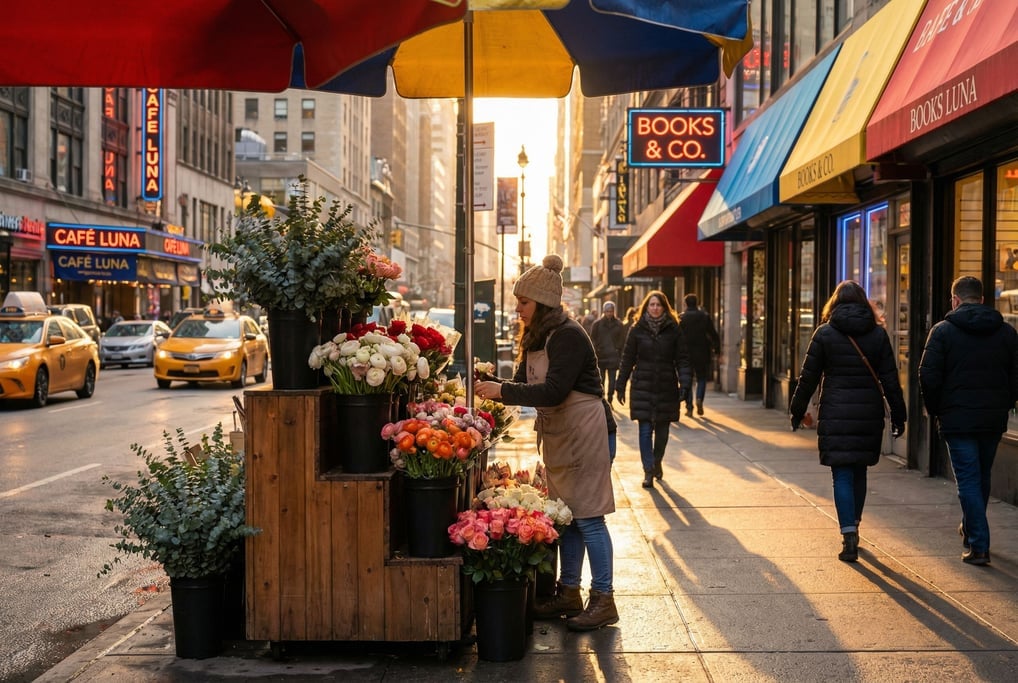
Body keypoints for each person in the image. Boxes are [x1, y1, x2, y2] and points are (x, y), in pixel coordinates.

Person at [473, 254, 618, 631]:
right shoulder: (536, 336)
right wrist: (496, 388)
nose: (517, 308)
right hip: (561, 436)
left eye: (523, 302)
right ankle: (568, 593)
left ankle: (604, 599)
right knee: (567, 521)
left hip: (586, 434)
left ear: (542, 302)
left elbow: (552, 391)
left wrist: (501, 389)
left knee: (589, 518)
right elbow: (524, 383)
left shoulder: (569, 335)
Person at [789, 280, 906, 563]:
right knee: (860, 471)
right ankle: (854, 522)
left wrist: (796, 410)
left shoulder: (825, 334)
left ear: (835, 303)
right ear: (864, 303)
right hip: (868, 413)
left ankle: (848, 533)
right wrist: (899, 415)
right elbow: (890, 378)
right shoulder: (878, 336)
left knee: (841, 473)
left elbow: (808, 377)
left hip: (836, 412)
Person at [918, 276, 1018, 566]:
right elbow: (1015, 376)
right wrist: (1006, 402)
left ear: (955, 300)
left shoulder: (942, 332)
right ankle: (971, 527)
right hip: (992, 418)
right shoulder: (1007, 333)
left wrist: (935, 409)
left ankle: (978, 544)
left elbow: (928, 375)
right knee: (981, 476)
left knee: (969, 480)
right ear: (983, 300)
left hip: (957, 418)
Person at [615, 290, 691, 489]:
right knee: (645, 430)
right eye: (652, 305)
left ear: (664, 307)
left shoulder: (674, 329)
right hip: (643, 386)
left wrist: (685, 383)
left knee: (663, 432)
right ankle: (648, 470)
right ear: (646, 307)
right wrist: (620, 384)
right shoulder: (637, 329)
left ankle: (657, 461)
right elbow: (627, 358)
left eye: (659, 305)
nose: (655, 308)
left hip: (666, 386)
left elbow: (682, 358)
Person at [678, 293, 720, 417]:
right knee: (701, 378)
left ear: (685, 304)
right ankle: (699, 399)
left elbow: (677, 337)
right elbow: (713, 334)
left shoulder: (682, 318)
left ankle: (689, 406)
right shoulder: (704, 316)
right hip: (702, 353)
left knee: (688, 380)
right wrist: (717, 350)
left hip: (686, 354)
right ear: (697, 303)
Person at [590, 301, 626, 402]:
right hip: (601, 356)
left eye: (611, 311)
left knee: (612, 382)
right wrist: (597, 348)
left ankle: (610, 399)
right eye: (607, 311)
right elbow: (592, 338)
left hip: (613, 357)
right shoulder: (597, 324)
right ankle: (602, 399)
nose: (609, 313)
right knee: (601, 381)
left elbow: (622, 340)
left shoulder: (619, 324)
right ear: (604, 311)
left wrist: (618, 349)